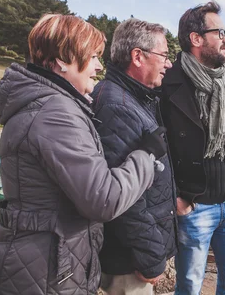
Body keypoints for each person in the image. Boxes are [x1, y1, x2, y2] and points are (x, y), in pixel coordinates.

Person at [0, 14, 167, 295]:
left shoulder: (43, 103)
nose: (98, 66)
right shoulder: (55, 113)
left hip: (36, 262)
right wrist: (146, 155)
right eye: (92, 56)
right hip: (43, 271)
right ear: (63, 60)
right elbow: (103, 199)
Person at [160, 1, 225, 295]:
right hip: (194, 206)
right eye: (220, 32)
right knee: (189, 286)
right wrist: (176, 195)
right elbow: (160, 146)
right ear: (196, 39)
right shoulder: (168, 84)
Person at [91, 18, 177, 295]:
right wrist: (151, 258)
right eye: (164, 55)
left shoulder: (134, 97)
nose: (168, 63)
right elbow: (126, 197)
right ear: (138, 56)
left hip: (128, 254)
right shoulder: (117, 105)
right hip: (126, 261)